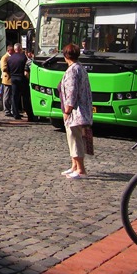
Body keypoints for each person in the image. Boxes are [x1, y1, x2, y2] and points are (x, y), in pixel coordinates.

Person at [59, 43, 93, 179]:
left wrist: (67, 110)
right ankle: (74, 166)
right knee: (73, 139)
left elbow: (72, 91)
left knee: (75, 139)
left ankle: (80, 169)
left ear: (66, 56)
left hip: (76, 112)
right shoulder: (80, 67)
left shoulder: (73, 70)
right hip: (82, 109)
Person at [7, 43, 28, 120]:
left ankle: (16, 114)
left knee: (14, 96)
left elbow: (8, 69)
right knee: (25, 96)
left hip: (13, 78)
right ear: (20, 49)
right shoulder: (23, 57)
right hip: (22, 78)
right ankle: (29, 113)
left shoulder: (10, 58)